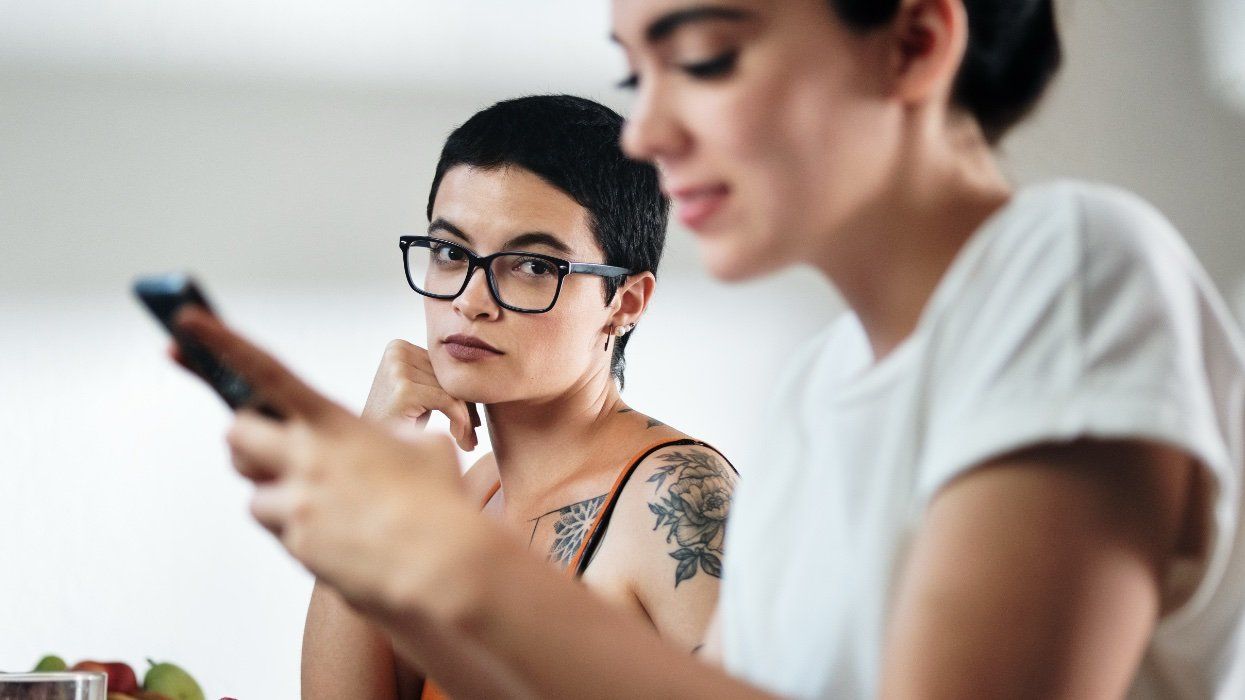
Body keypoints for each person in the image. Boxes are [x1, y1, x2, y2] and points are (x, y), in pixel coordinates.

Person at [177, 0, 1245, 697]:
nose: (644, 134)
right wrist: (375, 552)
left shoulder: (1070, 270)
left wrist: (451, 564)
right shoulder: (819, 392)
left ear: (915, 42)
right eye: (639, 77)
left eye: (703, 58)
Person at [298, 95, 736, 699]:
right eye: (451, 254)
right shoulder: (477, 495)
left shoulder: (673, 494)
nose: (471, 300)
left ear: (625, 303)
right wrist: (365, 462)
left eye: (531, 265)